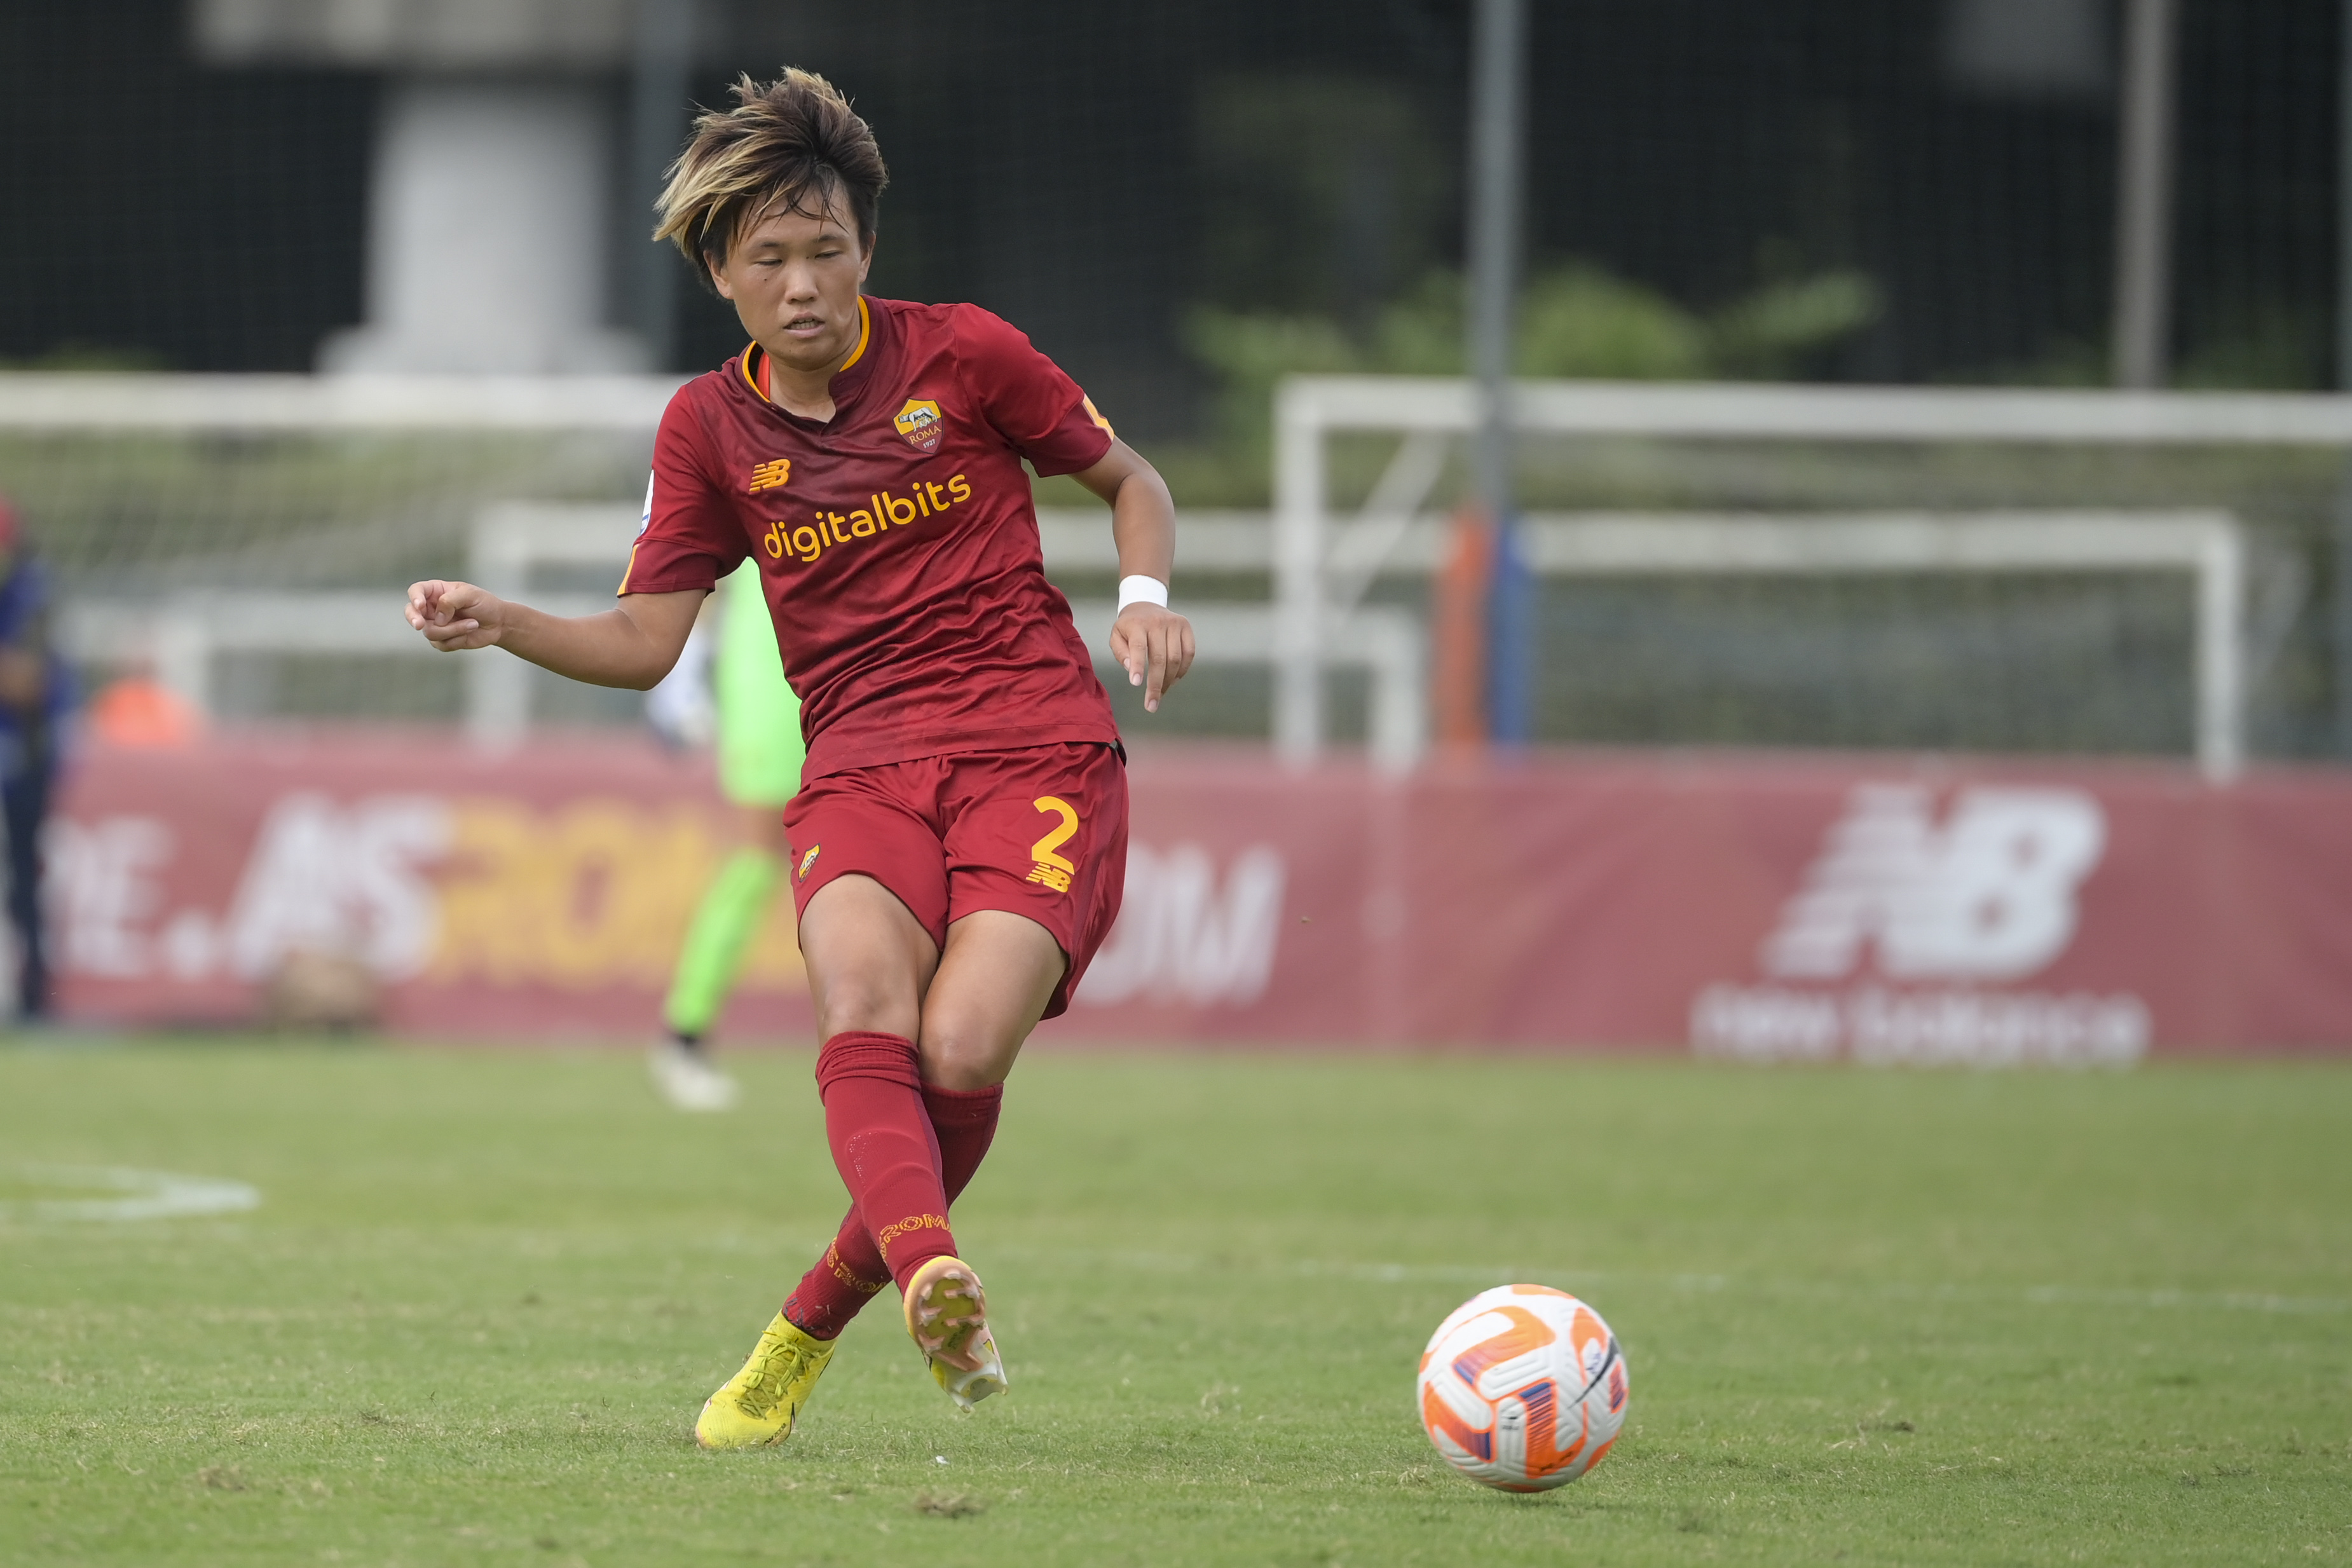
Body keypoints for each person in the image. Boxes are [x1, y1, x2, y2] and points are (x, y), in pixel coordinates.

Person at [404, 69, 1194, 1449]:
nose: (804, 283)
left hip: (1036, 751)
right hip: (863, 766)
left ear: (866, 253)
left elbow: (1132, 480)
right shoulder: (705, 430)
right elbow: (650, 642)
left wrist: (1141, 599)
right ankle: (932, 1273)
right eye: (769, 257)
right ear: (722, 272)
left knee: (959, 1045)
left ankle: (810, 1320)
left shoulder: (967, 355)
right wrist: (506, 623)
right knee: (863, 1009)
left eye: (826, 250)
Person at [643, 559, 803, 1112]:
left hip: (855, 673)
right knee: (760, 856)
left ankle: (890, 1038)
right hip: (770, 680)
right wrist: (682, 674)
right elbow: (699, 563)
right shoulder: (748, 471)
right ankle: (685, 1036)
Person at [0, 497, 72, 1021]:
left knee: (23, 878)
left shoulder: (33, 596)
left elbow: (27, 681)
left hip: (24, 761)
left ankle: (32, 995)